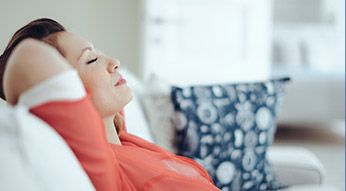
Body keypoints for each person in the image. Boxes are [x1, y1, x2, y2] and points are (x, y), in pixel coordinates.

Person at [0, 18, 220, 191]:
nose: (115, 63)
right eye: (92, 60)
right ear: (68, 88)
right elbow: (30, 58)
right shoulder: (104, 168)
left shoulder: (123, 138)